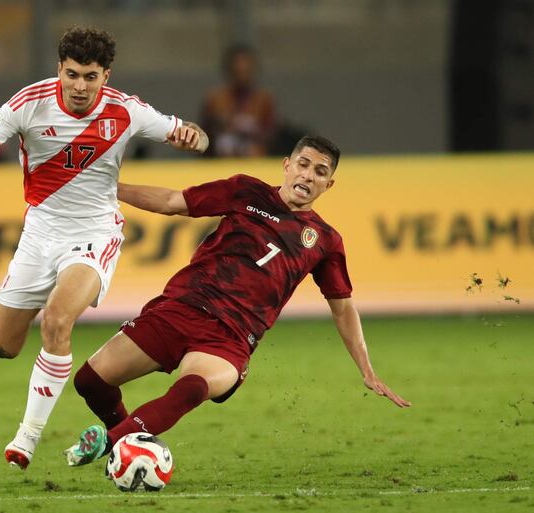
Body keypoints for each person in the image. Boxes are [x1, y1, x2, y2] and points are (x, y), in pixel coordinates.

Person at [0, 27, 209, 470]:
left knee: (58, 320)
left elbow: (191, 134)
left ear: (106, 75)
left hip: (95, 232)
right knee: (3, 345)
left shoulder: (126, 110)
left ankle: (27, 437)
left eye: (91, 77)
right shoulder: (29, 103)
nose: (80, 87)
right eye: (73, 75)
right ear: (59, 69)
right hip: (40, 234)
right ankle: (9, 306)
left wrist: (194, 135)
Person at [64, 135, 410, 467]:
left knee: (191, 388)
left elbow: (343, 307)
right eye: (303, 164)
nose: (308, 175)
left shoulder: (325, 241)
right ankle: (131, 445)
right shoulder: (246, 191)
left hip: (230, 337)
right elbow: (172, 202)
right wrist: (110, 188)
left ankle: (110, 442)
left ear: (328, 184)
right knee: (90, 381)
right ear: (287, 166)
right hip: (182, 307)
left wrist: (366, 368)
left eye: (320, 172)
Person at [200, 44, 277, 158]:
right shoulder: (215, 99)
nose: (242, 74)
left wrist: (251, 131)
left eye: (246, 70)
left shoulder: (264, 100)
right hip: (221, 162)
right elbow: (203, 135)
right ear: (230, 71)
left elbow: (272, 134)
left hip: (256, 162)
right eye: (238, 71)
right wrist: (222, 125)